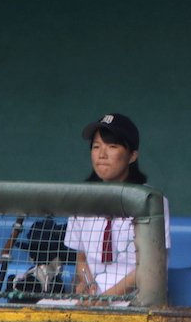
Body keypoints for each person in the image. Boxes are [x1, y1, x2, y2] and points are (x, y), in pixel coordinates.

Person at [63, 113, 171, 306]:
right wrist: (87, 286)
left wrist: (107, 297)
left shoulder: (151, 200)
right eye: (96, 146)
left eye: (112, 146)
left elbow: (154, 265)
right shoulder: (81, 198)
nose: (102, 154)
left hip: (136, 297)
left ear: (132, 155)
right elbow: (81, 259)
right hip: (91, 297)